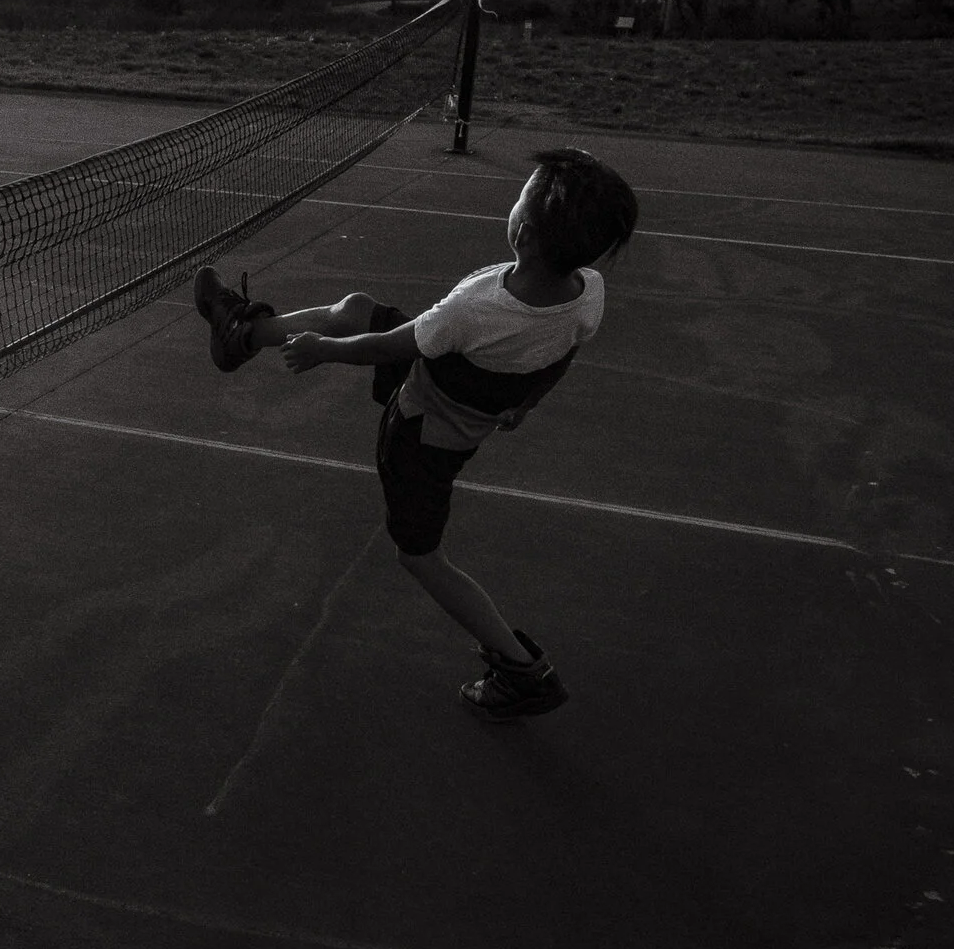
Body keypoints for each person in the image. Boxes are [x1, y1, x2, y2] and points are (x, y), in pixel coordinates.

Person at [192, 147, 639, 718]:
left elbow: (386, 349)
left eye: (520, 195)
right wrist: (527, 402)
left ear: (522, 231)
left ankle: (522, 670)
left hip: (424, 430)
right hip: (468, 381)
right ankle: (242, 333)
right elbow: (567, 351)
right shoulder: (588, 293)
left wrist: (323, 351)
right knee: (358, 307)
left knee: (420, 556)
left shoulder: (473, 309)